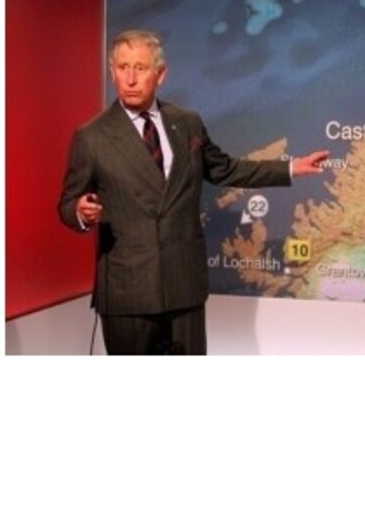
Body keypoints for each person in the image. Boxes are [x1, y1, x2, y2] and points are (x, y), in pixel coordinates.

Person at [58, 29, 328, 355]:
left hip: (183, 286)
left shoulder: (186, 123)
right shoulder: (92, 137)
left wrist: (290, 167)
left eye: (140, 68)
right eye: (122, 67)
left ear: (160, 74)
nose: (130, 79)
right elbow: (67, 204)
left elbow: (226, 169)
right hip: (128, 290)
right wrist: (80, 212)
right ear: (112, 72)